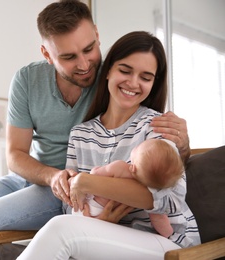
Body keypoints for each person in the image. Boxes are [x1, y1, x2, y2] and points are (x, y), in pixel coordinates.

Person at [0, 2, 191, 259]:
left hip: (71, 187)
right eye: (69, 57)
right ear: (47, 54)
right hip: (38, 176)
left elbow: (155, 156)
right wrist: (52, 177)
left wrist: (182, 144)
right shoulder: (29, 81)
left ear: (98, 36)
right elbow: (15, 154)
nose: (85, 64)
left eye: (89, 49)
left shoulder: (115, 77)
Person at [17, 31, 200, 260]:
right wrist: (97, 223)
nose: (133, 83)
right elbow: (71, 203)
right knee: (63, 226)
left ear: (154, 83)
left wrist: (86, 182)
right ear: (108, 71)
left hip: (168, 242)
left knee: (60, 230)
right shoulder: (80, 134)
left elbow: (167, 200)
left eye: (146, 77)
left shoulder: (159, 127)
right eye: (125, 70)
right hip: (107, 236)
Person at [73, 138, 184, 238]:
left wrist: (94, 170)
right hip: (101, 216)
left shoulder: (120, 167)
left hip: (89, 205)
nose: (136, 146)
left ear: (134, 167)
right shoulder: (148, 191)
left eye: (138, 148)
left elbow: (94, 175)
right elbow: (159, 220)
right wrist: (169, 233)